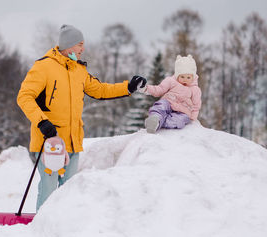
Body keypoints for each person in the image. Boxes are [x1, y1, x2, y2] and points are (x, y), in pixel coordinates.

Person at [17, 24, 146, 211]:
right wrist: (42, 122)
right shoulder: (44, 66)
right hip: (50, 140)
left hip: (72, 141)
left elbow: (100, 90)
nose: (82, 49)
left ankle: (65, 226)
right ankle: (43, 228)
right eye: (80, 45)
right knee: (49, 188)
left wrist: (128, 87)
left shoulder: (79, 71)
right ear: (68, 46)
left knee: (69, 190)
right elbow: (24, 97)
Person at [138, 54, 202, 133]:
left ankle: (158, 123)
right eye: (182, 77)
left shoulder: (195, 89)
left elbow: (196, 105)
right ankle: (155, 118)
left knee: (180, 121)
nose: (185, 80)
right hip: (168, 102)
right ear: (177, 74)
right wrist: (146, 89)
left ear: (193, 76)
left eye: (188, 77)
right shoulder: (171, 81)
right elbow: (159, 89)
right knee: (161, 105)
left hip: (183, 111)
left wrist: (193, 117)